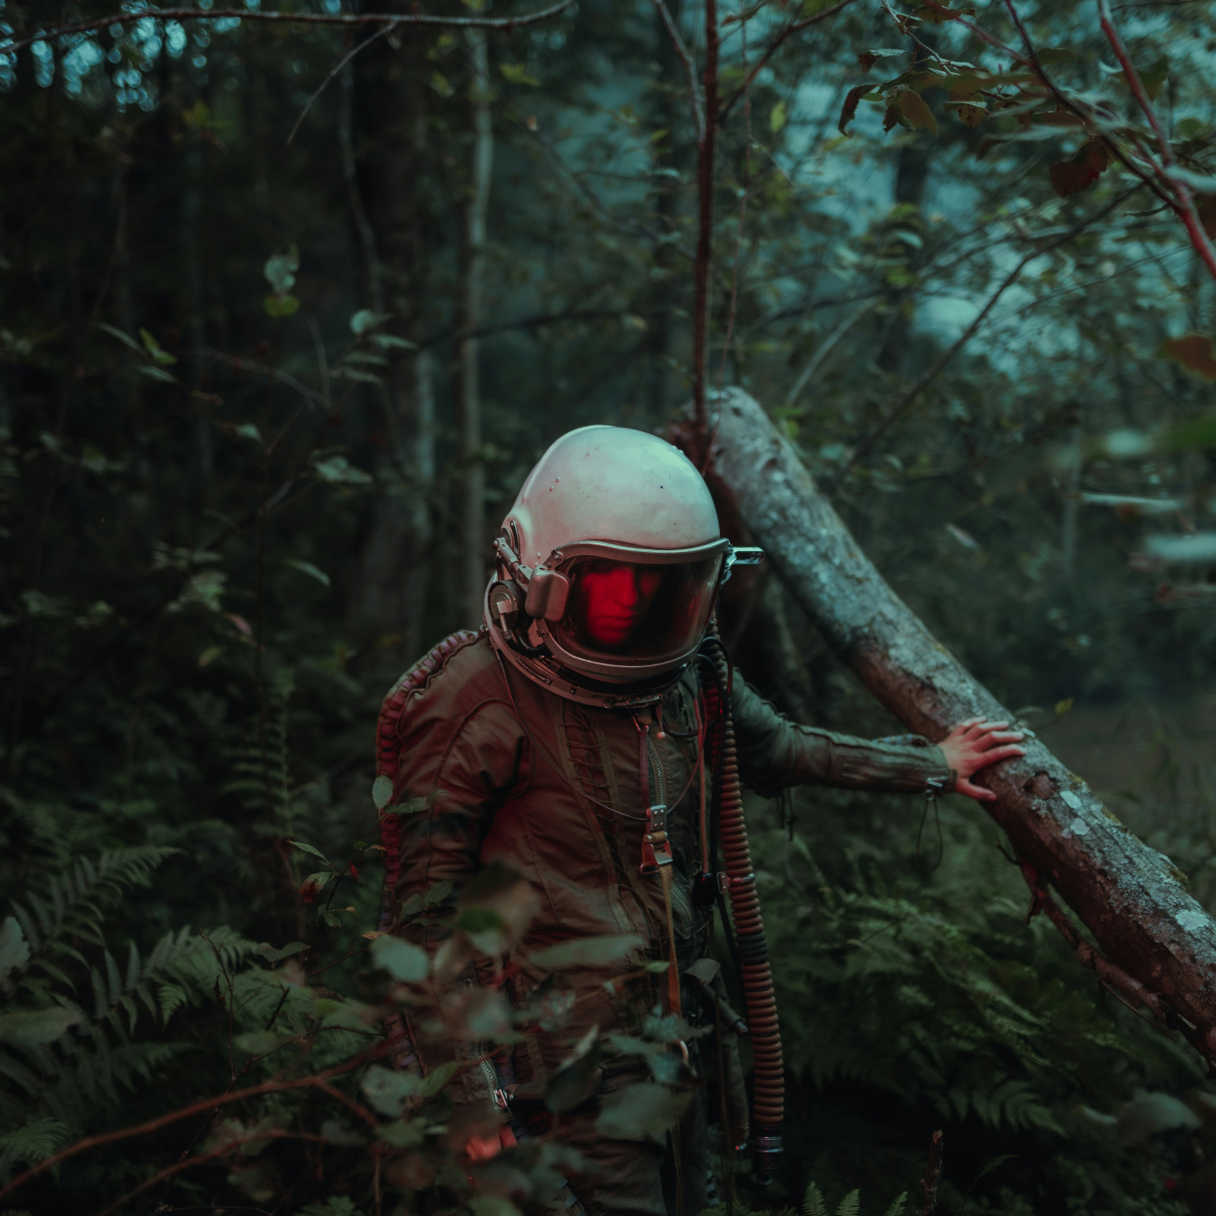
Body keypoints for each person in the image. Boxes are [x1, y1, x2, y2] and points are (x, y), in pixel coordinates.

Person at [376, 425, 1024, 1216]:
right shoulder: (474, 698)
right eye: (615, 591)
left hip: (681, 1047)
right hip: (559, 1076)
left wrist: (931, 764)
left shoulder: (684, 676)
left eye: (668, 590)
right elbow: (422, 923)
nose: (642, 613)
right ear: (536, 578)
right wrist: (472, 1107)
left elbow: (775, 747)